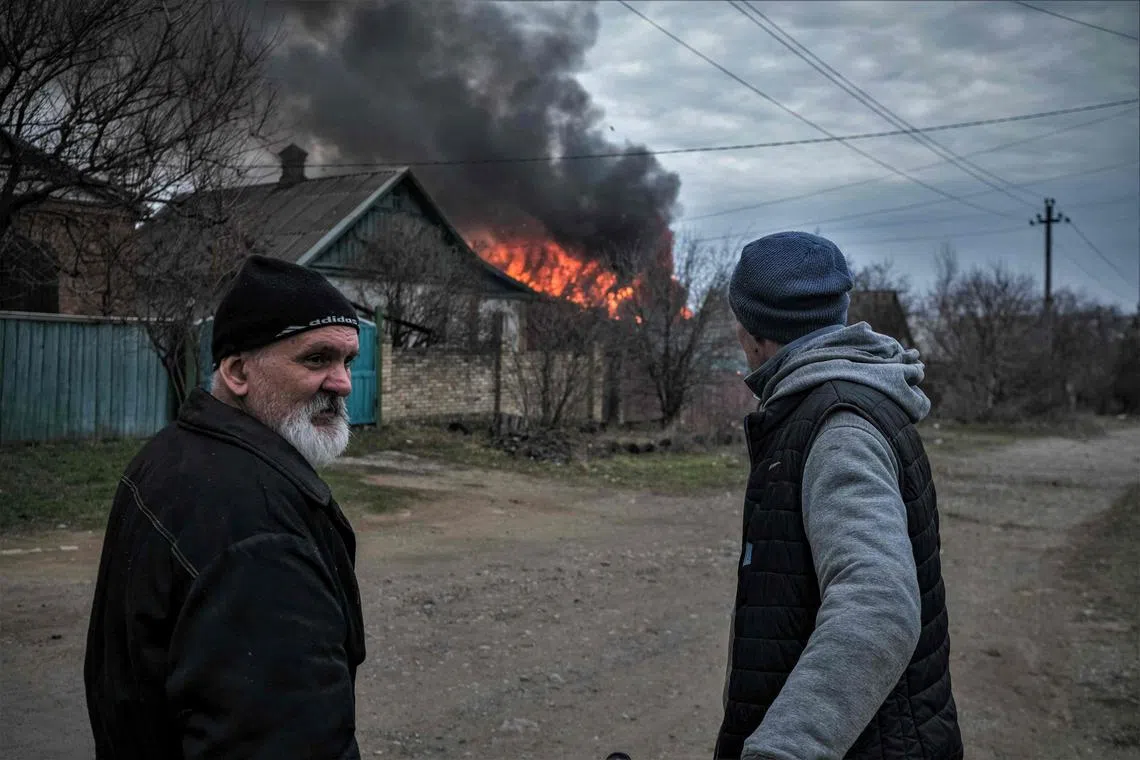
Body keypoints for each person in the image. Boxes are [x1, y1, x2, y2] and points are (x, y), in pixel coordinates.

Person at [85, 255, 366, 759]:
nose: (342, 382)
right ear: (237, 371)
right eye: (317, 359)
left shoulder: (172, 452)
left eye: (347, 361)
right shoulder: (257, 530)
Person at [714, 232, 963, 760]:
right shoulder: (841, 399)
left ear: (753, 331)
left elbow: (879, 605)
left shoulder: (838, 425)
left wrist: (784, 750)